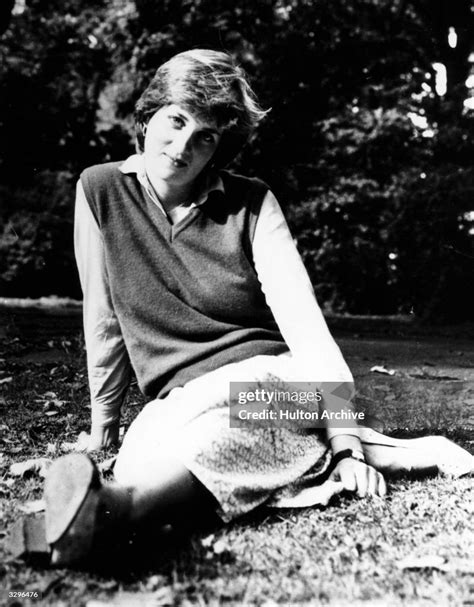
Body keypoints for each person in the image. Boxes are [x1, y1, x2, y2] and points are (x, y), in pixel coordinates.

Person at [41, 49, 473, 567]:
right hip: (180, 400)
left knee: (233, 429)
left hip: (275, 381)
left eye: (205, 138)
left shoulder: (253, 203)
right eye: (175, 121)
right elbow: (103, 317)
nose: (183, 147)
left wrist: (346, 449)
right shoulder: (99, 190)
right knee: (144, 455)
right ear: (147, 116)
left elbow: (306, 329)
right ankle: (374, 449)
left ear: (219, 151)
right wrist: (102, 429)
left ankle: (119, 513)